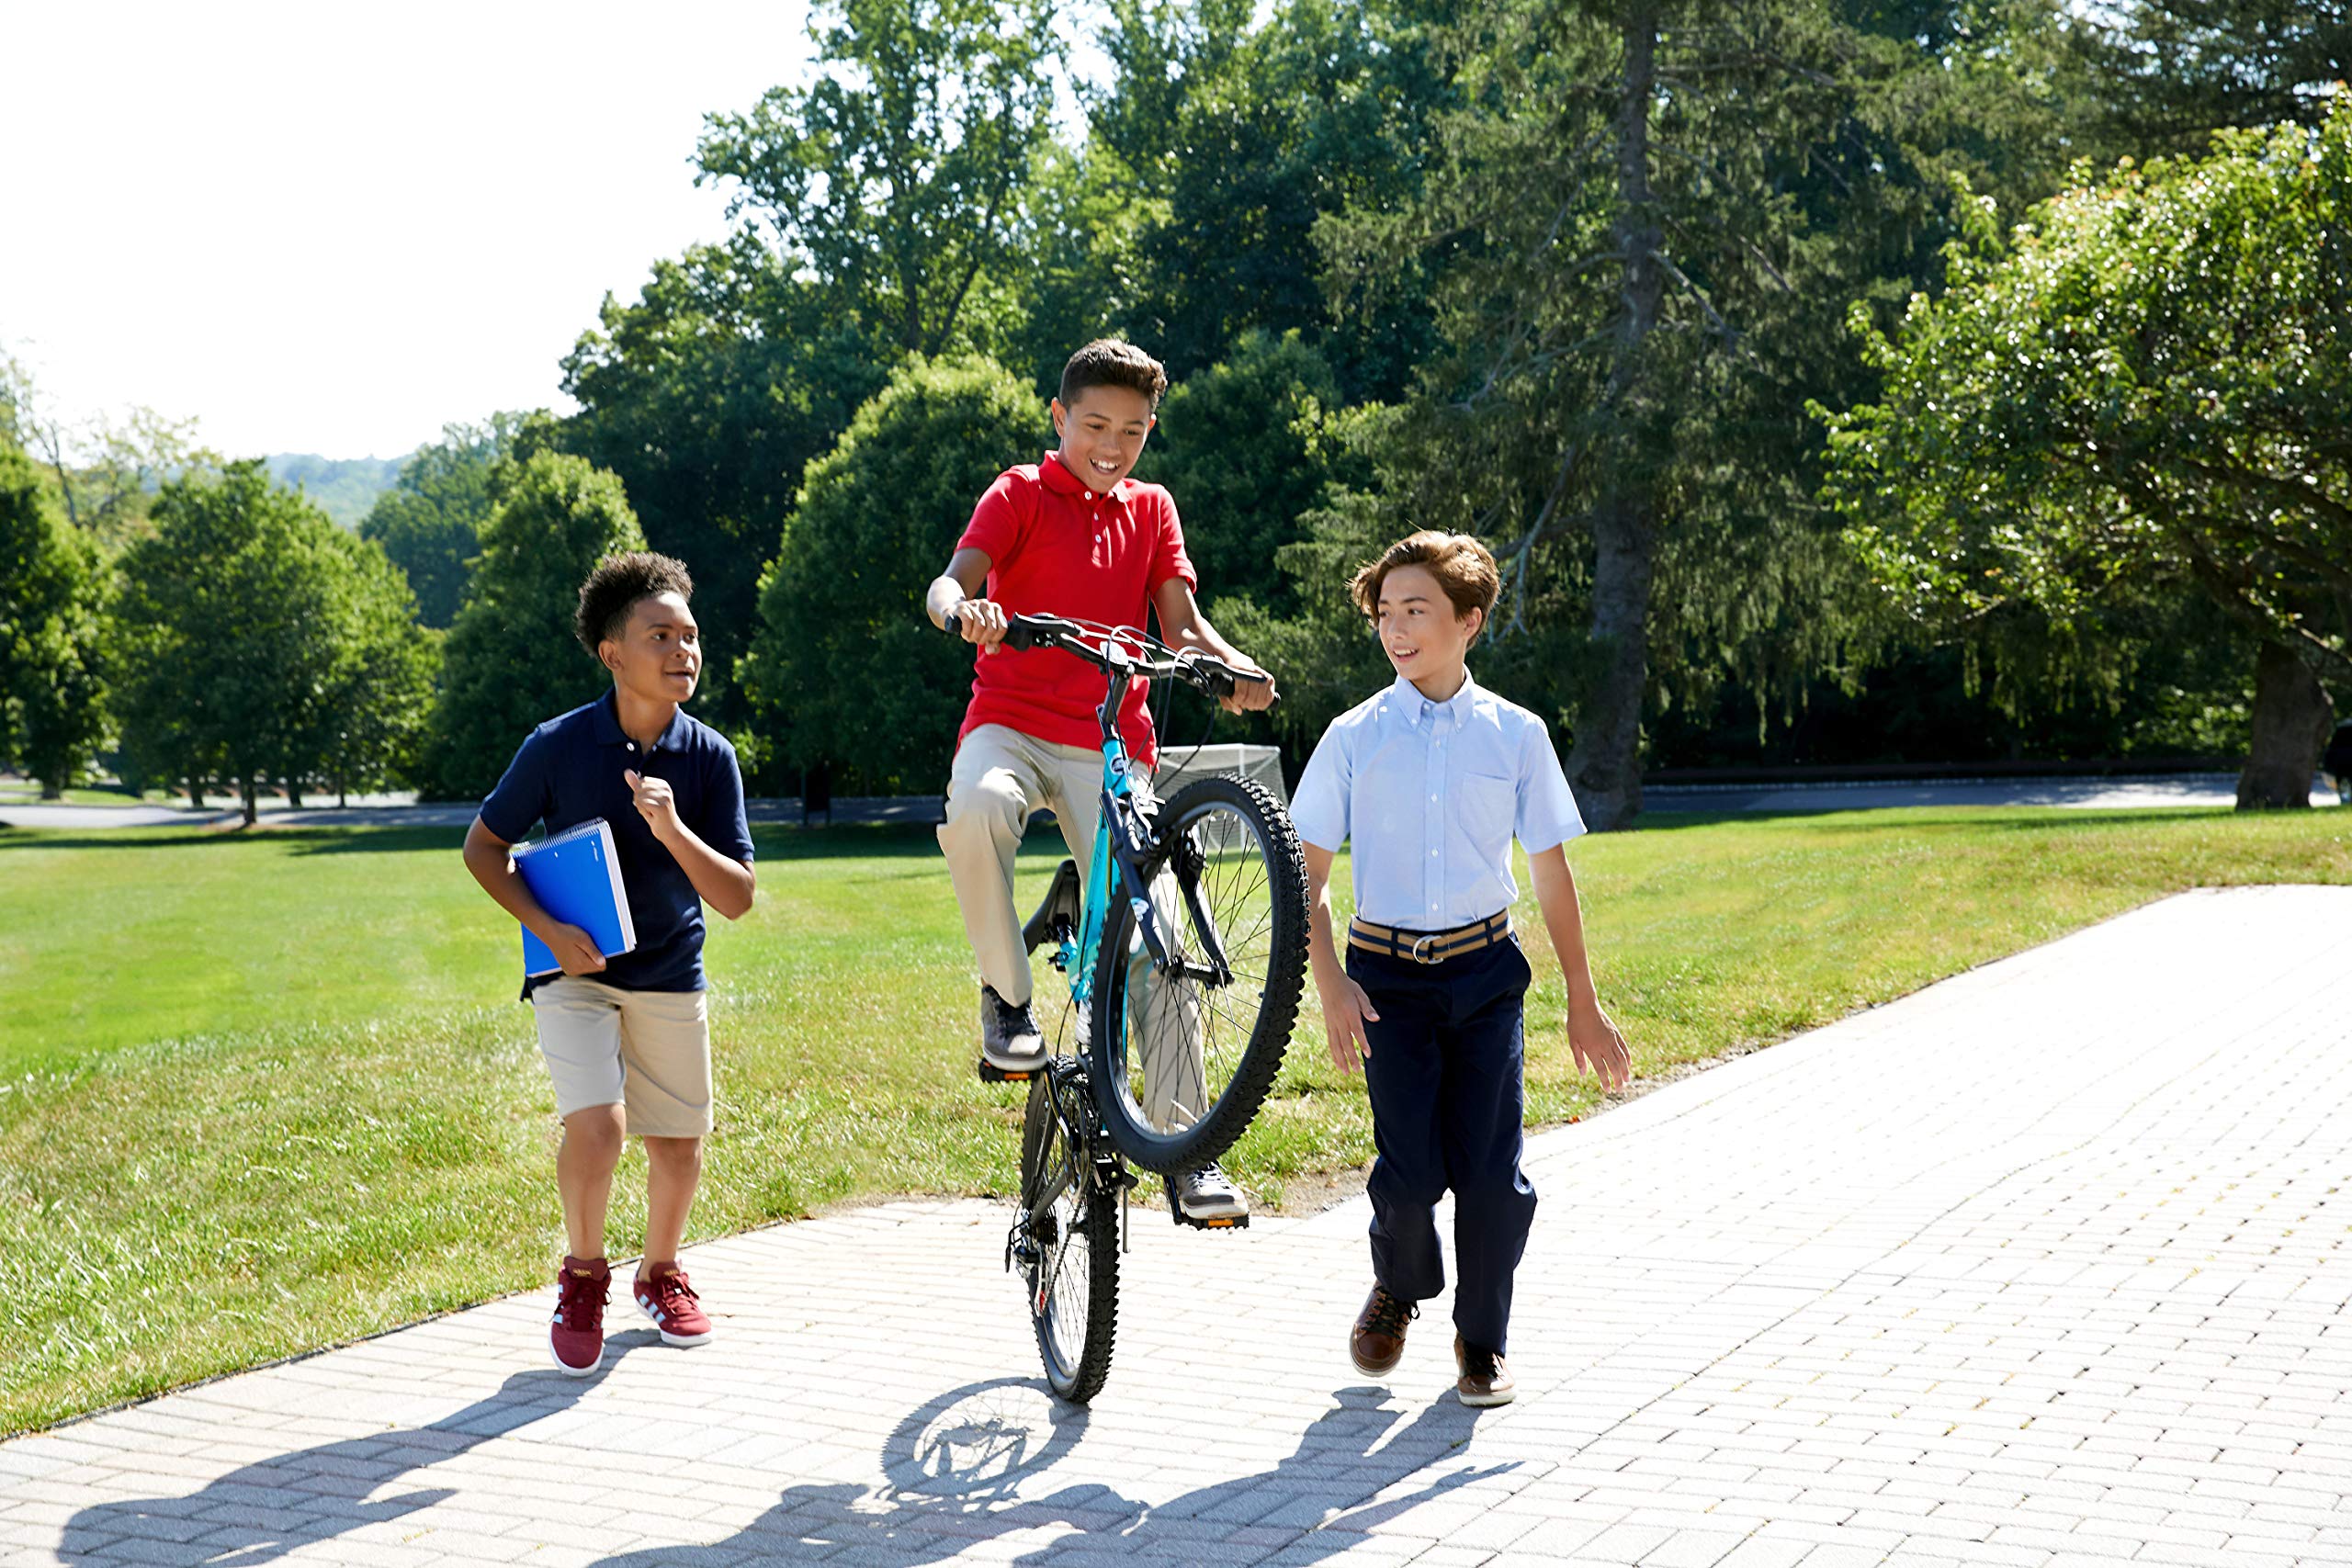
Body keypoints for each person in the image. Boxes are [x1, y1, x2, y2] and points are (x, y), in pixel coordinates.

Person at [923, 337, 1277, 1224]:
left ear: (1150, 429)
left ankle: (1186, 1148)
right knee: (977, 811)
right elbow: (953, 578)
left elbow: (1183, 622)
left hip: (1109, 740)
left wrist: (1236, 665)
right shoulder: (1018, 493)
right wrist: (963, 609)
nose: (1112, 446)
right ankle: (1007, 1000)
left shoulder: (1152, 509)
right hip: (1008, 722)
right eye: (1094, 426)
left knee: (1157, 938)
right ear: (1059, 418)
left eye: (1133, 430)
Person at [1291, 530, 1632, 1407]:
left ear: (1469, 620)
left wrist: (1581, 1003)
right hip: (1384, 982)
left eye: (1417, 611)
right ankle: (1399, 1286)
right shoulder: (1353, 737)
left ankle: (1482, 1343)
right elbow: (1308, 877)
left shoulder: (1516, 735)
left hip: (1486, 975)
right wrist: (1331, 982)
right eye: (1385, 613)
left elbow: (1552, 874)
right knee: (1406, 1176)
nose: (1397, 630)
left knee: (1491, 1175)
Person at [461, 552, 757, 1376]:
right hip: (575, 973)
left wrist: (674, 832)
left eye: (691, 635)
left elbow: (735, 897)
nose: (683, 650)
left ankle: (661, 1272)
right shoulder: (557, 746)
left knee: (680, 1145)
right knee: (600, 1125)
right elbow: (484, 848)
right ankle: (584, 1274)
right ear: (612, 652)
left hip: (670, 971)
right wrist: (549, 931)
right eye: (659, 634)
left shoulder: (709, 758)